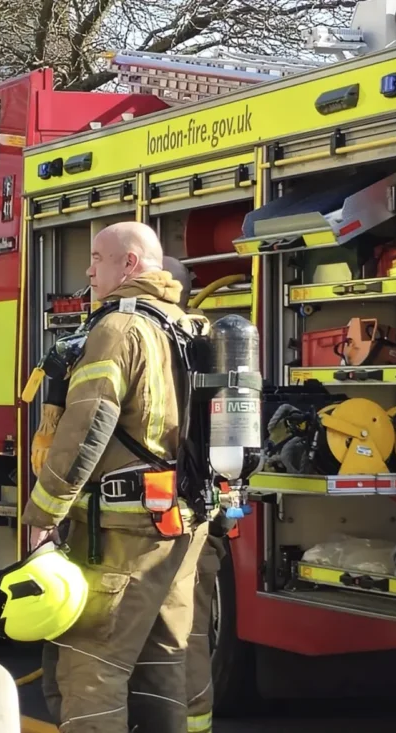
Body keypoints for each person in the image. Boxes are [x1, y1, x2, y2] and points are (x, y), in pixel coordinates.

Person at [22, 221, 209, 733]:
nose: (88, 270)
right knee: (163, 662)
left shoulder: (118, 329)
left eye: (98, 258)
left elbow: (86, 428)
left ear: (129, 264)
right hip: (182, 526)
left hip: (122, 536)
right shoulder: (189, 325)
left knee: (90, 667)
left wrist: (43, 514)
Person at [162, 255, 232, 733]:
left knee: (161, 636)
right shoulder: (217, 346)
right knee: (191, 632)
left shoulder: (142, 340)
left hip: (158, 525)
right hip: (205, 518)